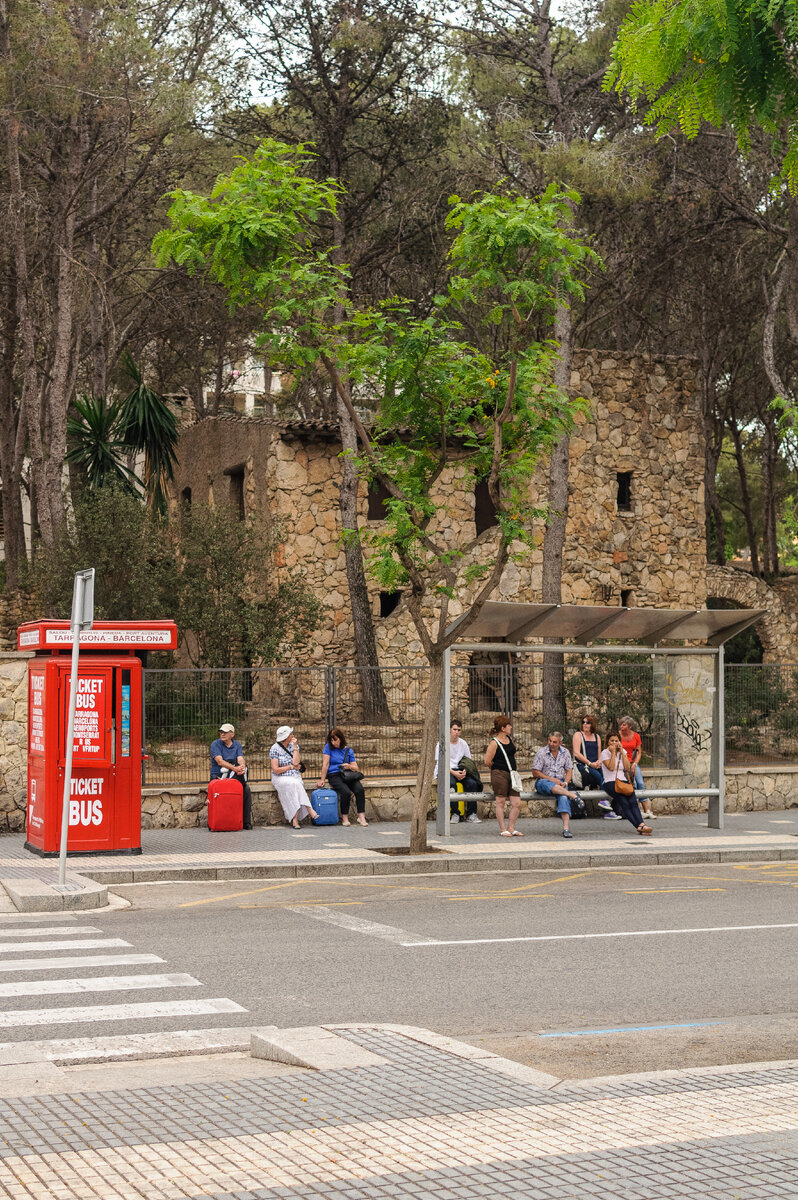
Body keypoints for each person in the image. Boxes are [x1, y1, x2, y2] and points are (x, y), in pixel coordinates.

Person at [600, 732, 652, 835]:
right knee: (624, 803)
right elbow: (610, 767)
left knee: (633, 802)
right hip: (610, 782)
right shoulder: (604, 753)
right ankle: (639, 826)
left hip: (623, 781)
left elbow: (627, 767)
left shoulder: (622, 751)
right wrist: (613, 752)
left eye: (616, 741)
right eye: (612, 741)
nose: (614, 743)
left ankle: (641, 824)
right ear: (607, 742)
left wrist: (623, 753)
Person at [532, 731, 580, 839]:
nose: (551, 743)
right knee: (547, 784)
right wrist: (551, 779)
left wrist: (566, 782)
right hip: (543, 781)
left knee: (563, 797)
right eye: (549, 741)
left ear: (560, 743)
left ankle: (566, 829)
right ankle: (573, 795)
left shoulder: (565, 752)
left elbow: (569, 770)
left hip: (560, 782)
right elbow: (535, 772)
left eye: (554, 742)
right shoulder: (541, 752)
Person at [434, 718, 482, 824]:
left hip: (459, 769)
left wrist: (465, 771)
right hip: (446, 770)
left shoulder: (463, 743)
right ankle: (455, 813)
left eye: (459, 730)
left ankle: (471, 814)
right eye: (455, 729)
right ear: (450, 730)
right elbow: (440, 763)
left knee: (472, 784)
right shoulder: (442, 743)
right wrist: (453, 772)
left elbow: (468, 760)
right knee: (451, 784)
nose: (457, 732)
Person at [572, 715, 619, 820]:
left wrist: (599, 762)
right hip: (584, 766)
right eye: (583, 722)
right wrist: (590, 763)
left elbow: (599, 753)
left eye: (587, 722)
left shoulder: (597, 737)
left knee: (609, 778)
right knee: (600, 778)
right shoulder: (578, 735)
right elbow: (576, 753)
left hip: (596, 764)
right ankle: (604, 803)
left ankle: (607, 810)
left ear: (592, 724)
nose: (585, 724)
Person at [270, 725, 318, 828]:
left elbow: (296, 762)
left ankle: (295, 820)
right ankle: (309, 809)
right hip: (280, 777)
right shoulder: (274, 748)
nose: (293, 735)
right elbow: (276, 770)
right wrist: (291, 767)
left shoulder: (293, 746)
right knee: (295, 784)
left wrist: (295, 747)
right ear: (286, 736)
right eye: (290, 734)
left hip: (294, 776)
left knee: (295, 786)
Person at [319, 728, 368, 827]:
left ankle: (361, 817)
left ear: (341, 739)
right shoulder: (328, 747)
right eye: (331, 740)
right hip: (334, 774)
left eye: (335, 740)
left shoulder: (348, 750)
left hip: (347, 774)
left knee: (359, 789)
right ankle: (345, 817)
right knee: (345, 792)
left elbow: (356, 768)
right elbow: (325, 764)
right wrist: (322, 780)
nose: (333, 742)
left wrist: (349, 766)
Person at [484, 715, 523, 837]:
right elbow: (487, 761)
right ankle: (503, 828)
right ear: (503, 727)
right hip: (499, 773)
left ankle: (511, 827)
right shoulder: (494, 743)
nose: (511, 727)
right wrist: (496, 768)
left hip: (512, 773)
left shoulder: (509, 739)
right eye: (509, 725)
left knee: (516, 802)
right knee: (500, 801)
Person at [209, 722, 252, 829]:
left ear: (232, 734)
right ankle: (222, 820)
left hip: (235, 775)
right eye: (221, 732)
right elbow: (219, 761)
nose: (222, 734)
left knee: (246, 790)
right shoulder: (215, 744)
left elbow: (240, 758)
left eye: (225, 732)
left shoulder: (236, 744)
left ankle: (245, 822)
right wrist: (235, 769)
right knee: (239, 787)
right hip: (218, 777)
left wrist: (241, 766)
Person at [618, 716, 655, 819]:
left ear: (630, 726)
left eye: (624, 725)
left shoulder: (636, 736)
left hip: (633, 763)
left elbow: (639, 752)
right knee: (630, 786)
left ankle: (647, 810)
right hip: (622, 764)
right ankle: (635, 811)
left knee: (641, 784)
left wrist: (634, 764)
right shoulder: (618, 735)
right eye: (621, 724)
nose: (621, 726)